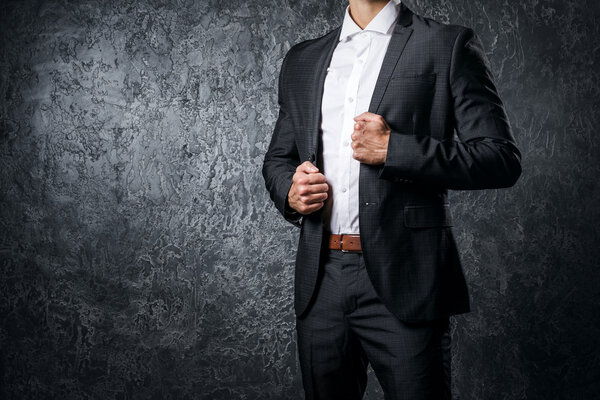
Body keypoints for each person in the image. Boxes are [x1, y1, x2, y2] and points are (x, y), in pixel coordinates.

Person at [262, 0, 522, 398]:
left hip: (408, 281)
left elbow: (501, 159)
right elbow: (279, 159)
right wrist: (290, 191)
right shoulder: (303, 58)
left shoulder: (446, 45)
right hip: (321, 282)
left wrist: (393, 150)